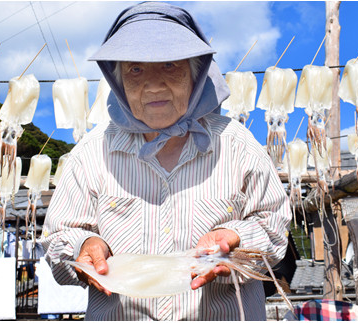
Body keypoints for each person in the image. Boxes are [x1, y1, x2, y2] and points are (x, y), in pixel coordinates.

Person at [40, 2, 291, 320]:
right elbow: (57, 238)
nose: (154, 84)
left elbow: (274, 230)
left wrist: (234, 238)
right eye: (135, 69)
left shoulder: (238, 146)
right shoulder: (91, 154)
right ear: (117, 80)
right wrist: (83, 245)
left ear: (195, 73)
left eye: (170, 65)